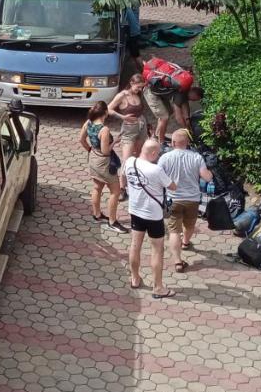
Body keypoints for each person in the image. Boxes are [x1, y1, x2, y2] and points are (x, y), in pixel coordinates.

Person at [122, 139, 177, 299]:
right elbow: (172, 186)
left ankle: (134, 278)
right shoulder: (156, 170)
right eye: (158, 153)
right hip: (153, 215)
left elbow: (123, 177)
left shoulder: (130, 161)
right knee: (157, 251)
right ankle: (158, 288)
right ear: (152, 153)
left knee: (135, 245)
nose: (158, 155)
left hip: (135, 211)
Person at [157, 129, 213, 272]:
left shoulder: (165, 157)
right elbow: (206, 177)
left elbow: (157, 176)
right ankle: (186, 243)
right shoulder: (197, 157)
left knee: (174, 230)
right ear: (187, 143)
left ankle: (177, 261)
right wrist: (211, 173)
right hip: (192, 199)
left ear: (173, 143)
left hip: (173, 199)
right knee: (189, 225)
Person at [80, 101, 126, 233]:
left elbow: (81, 140)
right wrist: (115, 141)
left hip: (93, 158)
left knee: (97, 187)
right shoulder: (104, 130)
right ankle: (112, 221)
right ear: (105, 112)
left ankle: (97, 214)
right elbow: (106, 151)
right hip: (104, 162)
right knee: (115, 191)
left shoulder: (88, 123)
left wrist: (90, 150)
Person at [142, 57, 197, 142]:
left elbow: (185, 106)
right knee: (164, 117)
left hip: (159, 91)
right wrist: (187, 130)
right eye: (196, 99)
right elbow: (178, 116)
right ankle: (161, 142)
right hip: (151, 93)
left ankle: (156, 136)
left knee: (166, 113)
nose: (194, 101)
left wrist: (187, 119)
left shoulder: (183, 86)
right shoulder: (180, 90)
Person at [108, 74, 150, 167]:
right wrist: (122, 117)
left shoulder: (139, 94)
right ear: (131, 83)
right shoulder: (122, 95)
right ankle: (123, 180)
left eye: (141, 87)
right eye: (138, 87)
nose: (140, 89)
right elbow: (108, 109)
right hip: (129, 129)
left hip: (141, 127)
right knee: (126, 160)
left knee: (139, 156)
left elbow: (141, 111)